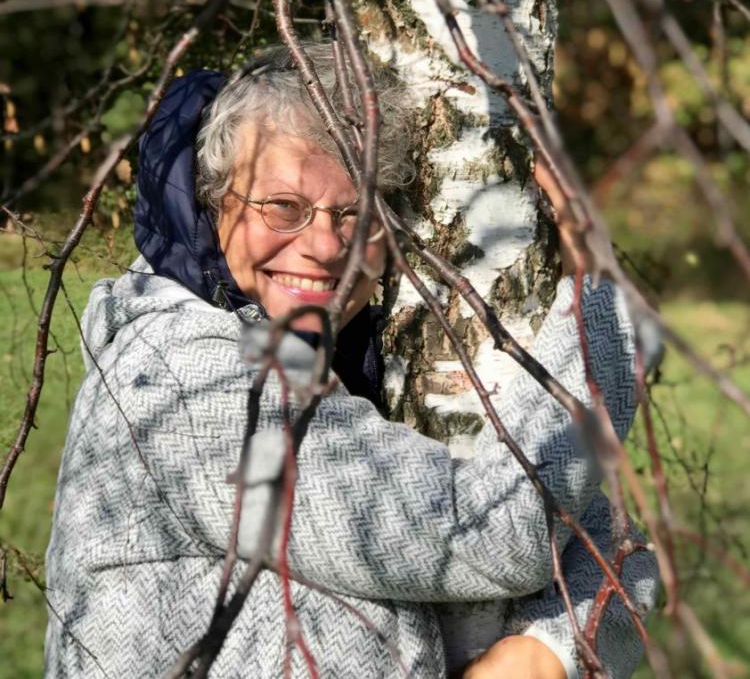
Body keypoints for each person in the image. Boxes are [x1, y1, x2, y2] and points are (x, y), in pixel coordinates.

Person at [44, 45, 658, 678]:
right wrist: (598, 307)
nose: (324, 247)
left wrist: (547, 653)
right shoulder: (187, 380)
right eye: (283, 207)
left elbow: (616, 551)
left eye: (358, 214)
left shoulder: (319, 368)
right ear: (213, 202)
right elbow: (502, 529)